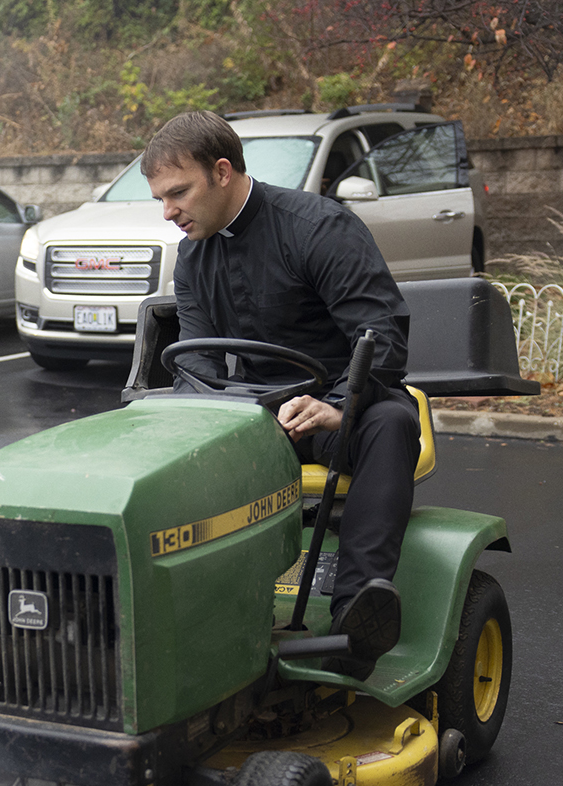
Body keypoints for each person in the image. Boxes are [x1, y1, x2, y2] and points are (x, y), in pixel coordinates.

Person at [143, 110, 420, 677]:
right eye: (160, 199)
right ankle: (189, 615)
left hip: (332, 408)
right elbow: (195, 359)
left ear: (222, 172)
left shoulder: (319, 228)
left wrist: (338, 406)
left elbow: (381, 335)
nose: (168, 212)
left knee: (393, 423)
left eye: (178, 193)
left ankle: (354, 620)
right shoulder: (193, 255)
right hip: (253, 414)